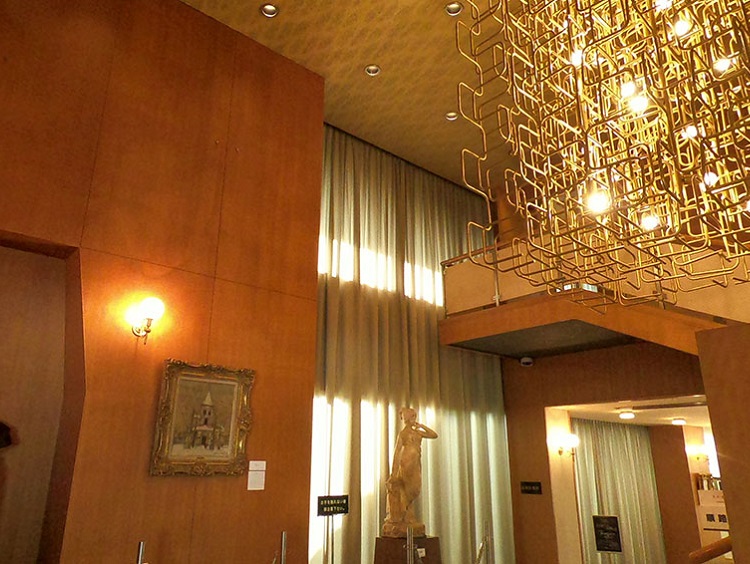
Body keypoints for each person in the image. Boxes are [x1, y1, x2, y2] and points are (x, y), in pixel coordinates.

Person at [382, 407, 437, 538]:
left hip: (415, 463)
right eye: (412, 417)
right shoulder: (403, 434)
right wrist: (393, 473)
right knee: (406, 490)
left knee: (415, 489)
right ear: (406, 418)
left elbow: (434, 435)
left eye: (414, 416)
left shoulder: (418, 432)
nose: (414, 419)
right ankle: (404, 516)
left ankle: (407, 515)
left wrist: (422, 426)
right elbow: (397, 453)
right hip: (406, 464)